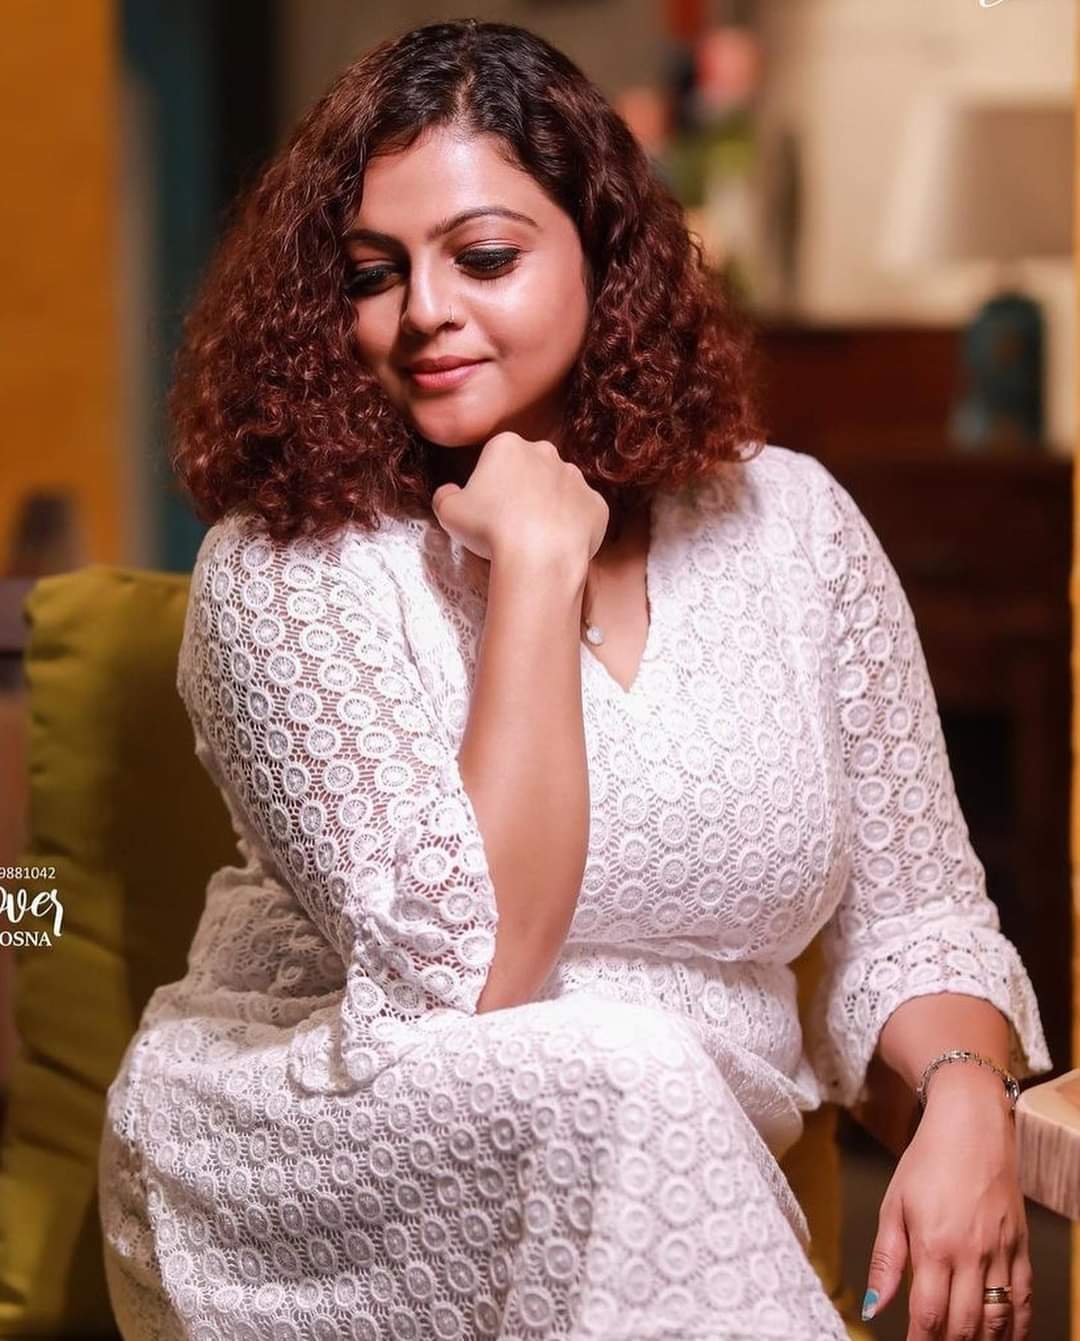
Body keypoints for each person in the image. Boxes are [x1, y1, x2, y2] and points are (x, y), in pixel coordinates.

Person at [97, 18, 1053, 1341]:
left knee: (630, 1080)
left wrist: (965, 1095)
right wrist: (537, 569)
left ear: (606, 257)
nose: (425, 311)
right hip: (334, 1156)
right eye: (375, 273)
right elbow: (470, 979)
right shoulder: (285, 565)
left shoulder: (791, 526)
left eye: (483, 257)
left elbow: (918, 914)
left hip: (668, 1181)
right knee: (622, 1066)